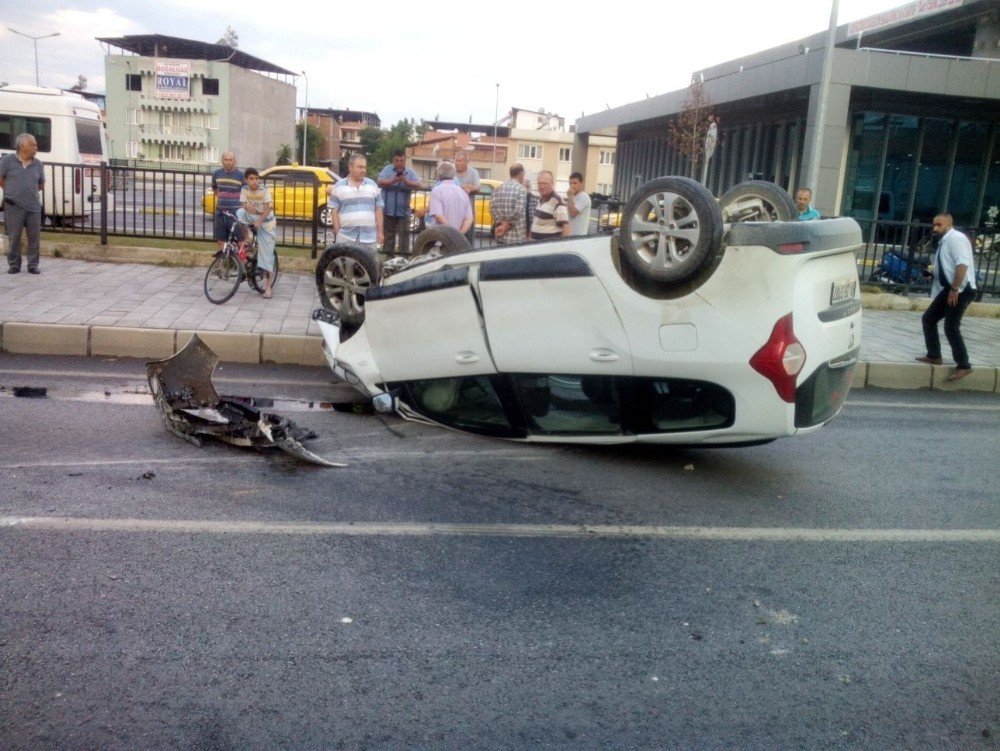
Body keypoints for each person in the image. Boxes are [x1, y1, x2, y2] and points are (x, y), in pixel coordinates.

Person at [916, 213, 978, 381]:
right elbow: (948, 267)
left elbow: (962, 265)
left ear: (949, 225)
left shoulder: (956, 239)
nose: (935, 228)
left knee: (951, 327)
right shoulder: (944, 241)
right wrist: (932, 274)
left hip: (961, 290)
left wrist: (955, 289)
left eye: (939, 225)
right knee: (929, 319)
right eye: (934, 225)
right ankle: (934, 355)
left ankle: (964, 365)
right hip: (951, 288)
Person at [1, 134, 46, 274]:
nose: (35, 148)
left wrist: (28, 192)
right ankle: (14, 264)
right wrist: (11, 191)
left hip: (33, 207)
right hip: (13, 206)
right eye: (33, 145)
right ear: (22, 146)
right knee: (14, 237)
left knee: (34, 237)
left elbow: (41, 184)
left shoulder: (37, 164)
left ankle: (33, 264)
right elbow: (0, 179)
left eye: (35, 145)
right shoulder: (7, 161)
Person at [327, 153, 384, 251]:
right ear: (350, 167)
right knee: (346, 265)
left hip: (369, 238)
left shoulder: (373, 186)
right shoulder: (338, 187)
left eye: (364, 167)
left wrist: (380, 232)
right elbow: (334, 211)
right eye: (360, 167)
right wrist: (338, 232)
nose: (363, 170)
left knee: (368, 265)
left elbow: (378, 210)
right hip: (346, 237)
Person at [236, 167, 277, 299]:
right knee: (239, 213)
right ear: (246, 180)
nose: (254, 181)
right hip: (253, 217)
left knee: (266, 256)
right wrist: (245, 206)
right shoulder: (244, 190)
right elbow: (243, 205)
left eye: (256, 178)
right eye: (251, 179)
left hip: (266, 222)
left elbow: (267, 209)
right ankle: (247, 238)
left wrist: (259, 221)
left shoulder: (263, 190)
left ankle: (268, 287)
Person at [376, 149, 422, 257]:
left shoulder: (410, 172)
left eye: (402, 160)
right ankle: (389, 257)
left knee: (404, 235)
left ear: (405, 160)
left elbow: (419, 185)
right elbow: (379, 181)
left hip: (404, 211)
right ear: (393, 160)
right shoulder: (387, 170)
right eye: (397, 161)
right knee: (389, 235)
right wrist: (392, 181)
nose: (399, 163)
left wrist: (407, 182)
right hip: (388, 210)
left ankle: (403, 258)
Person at [212, 152, 245, 250]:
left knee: (240, 240)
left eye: (230, 160)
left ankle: (241, 263)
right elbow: (215, 189)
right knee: (220, 240)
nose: (228, 162)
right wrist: (223, 198)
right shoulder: (216, 174)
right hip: (220, 212)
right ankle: (223, 261)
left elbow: (244, 194)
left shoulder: (240, 175)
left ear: (234, 161)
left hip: (234, 213)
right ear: (222, 161)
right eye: (226, 160)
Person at [428, 161, 472, 234]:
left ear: (439, 174)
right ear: (454, 174)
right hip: (457, 241)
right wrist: (459, 234)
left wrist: (452, 233)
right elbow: (469, 219)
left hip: (440, 238)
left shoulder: (437, 191)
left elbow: (438, 216)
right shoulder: (463, 193)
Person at [491, 163, 528, 245]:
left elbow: (492, 208)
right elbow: (518, 211)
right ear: (521, 174)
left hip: (500, 234)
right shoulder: (521, 190)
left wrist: (501, 223)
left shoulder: (498, 188)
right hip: (516, 237)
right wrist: (507, 225)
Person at [529, 170, 569, 240]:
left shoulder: (557, 202)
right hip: (536, 247)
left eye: (545, 183)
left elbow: (566, 227)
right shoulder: (540, 200)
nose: (542, 186)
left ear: (552, 184)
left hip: (548, 248)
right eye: (539, 183)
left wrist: (562, 247)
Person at [453, 151, 480, 243]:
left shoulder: (473, 172)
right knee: (453, 237)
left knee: (468, 240)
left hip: (468, 212)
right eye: (456, 160)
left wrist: (469, 188)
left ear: (466, 162)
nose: (457, 163)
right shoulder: (451, 172)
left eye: (460, 161)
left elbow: (478, 187)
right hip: (453, 211)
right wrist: (464, 186)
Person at [565, 171, 591, 236]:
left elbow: (572, 213)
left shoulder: (584, 197)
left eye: (575, 183)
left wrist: (569, 197)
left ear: (581, 183)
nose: (572, 186)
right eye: (570, 183)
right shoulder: (572, 197)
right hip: (570, 235)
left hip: (579, 236)